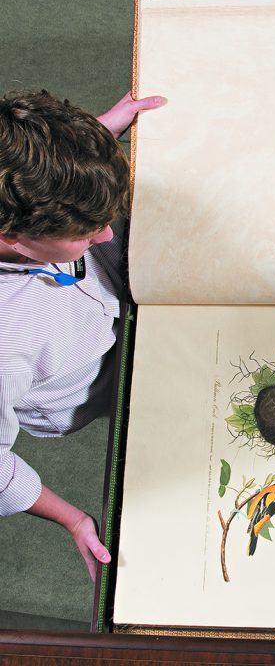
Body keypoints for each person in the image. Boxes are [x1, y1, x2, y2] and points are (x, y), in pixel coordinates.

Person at [0, 90, 164, 580]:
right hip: (88, 383)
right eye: (86, 232)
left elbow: (26, 164)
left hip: (117, 297)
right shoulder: (7, 346)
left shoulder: (17, 182)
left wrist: (98, 137)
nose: (106, 235)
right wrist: (73, 519)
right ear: (11, 236)